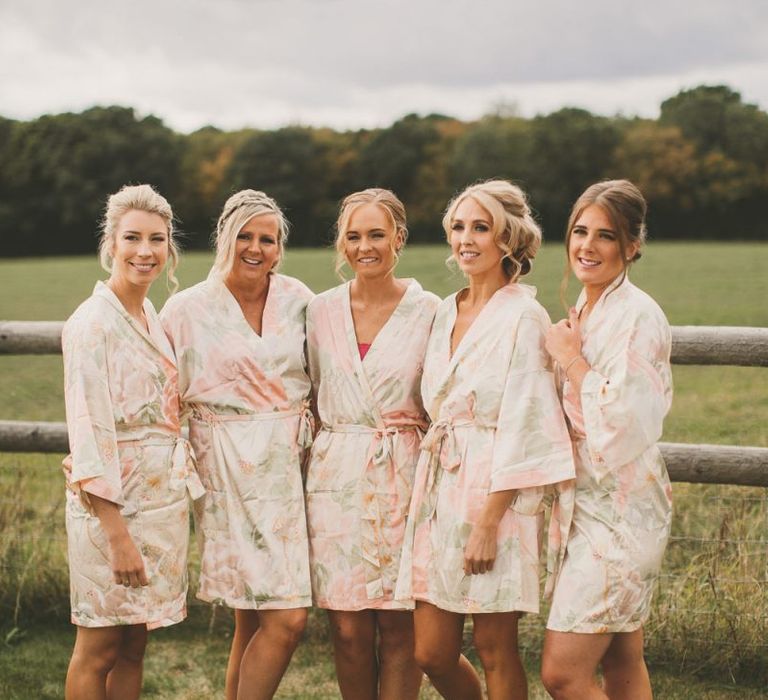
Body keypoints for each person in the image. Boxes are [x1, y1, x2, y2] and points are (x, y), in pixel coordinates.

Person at [395, 180, 575, 699]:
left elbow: (528, 422)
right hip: (440, 490)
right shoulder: (445, 311)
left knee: (497, 648)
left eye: (481, 228)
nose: (466, 239)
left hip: (499, 494)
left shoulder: (523, 316)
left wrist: (489, 522)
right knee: (430, 652)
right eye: (458, 227)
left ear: (508, 239)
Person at [160, 190, 313, 700]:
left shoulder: (299, 301)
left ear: (279, 246)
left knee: (257, 618)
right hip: (224, 468)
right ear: (224, 237)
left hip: (290, 469)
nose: (255, 248)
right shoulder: (187, 309)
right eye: (244, 236)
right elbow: (162, 394)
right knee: (286, 617)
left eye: (266, 239)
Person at [63, 184, 203, 700]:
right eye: (132, 238)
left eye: (157, 239)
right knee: (97, 647)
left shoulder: (152, 320)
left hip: (158, 504)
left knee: (134, 645)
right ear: (110, 243)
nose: (145, 251)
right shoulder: (92, 325)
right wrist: (116, 533)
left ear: (169, 248)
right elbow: (88, 436)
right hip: (111, 511)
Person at [541, 180, 673, 700]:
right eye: (580, 232)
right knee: (622, 656)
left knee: (562, 673)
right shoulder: (589, 305)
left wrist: (570, 359)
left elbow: (622, 419)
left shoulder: (638, 316)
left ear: (632, 246)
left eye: (606, 236)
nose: (587, 247)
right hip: (587, 502)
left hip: (621, 509)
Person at [305, 188, 439, 699]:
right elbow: (310, 389)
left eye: (377, 234)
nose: (365, 246)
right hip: (337, 475)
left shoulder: (430, 310)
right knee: (348, 629)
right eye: (354, 236)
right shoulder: (319, 312)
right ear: (342, 244)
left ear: (399, 238)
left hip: (404, 473)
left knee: (401, 626)